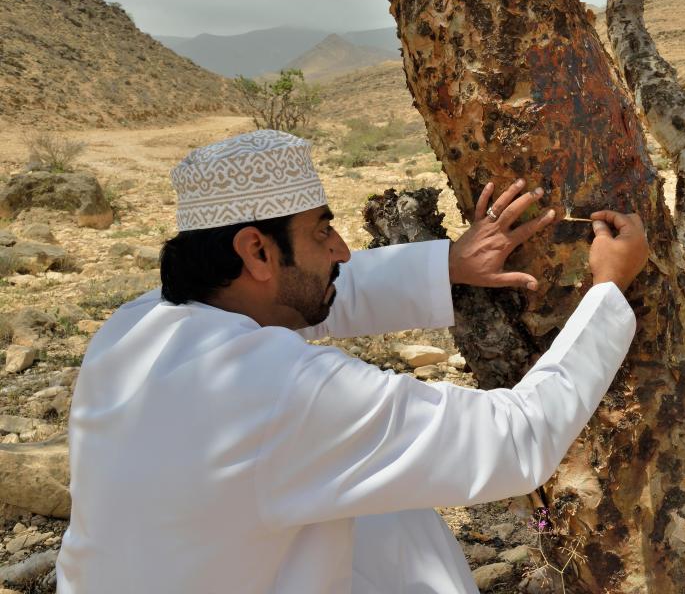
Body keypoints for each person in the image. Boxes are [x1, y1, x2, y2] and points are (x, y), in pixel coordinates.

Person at [56, 129, 649, 593]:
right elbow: (516, 440)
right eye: (321, 233)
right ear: (256, 250)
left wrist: (447, 262)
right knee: (402, 522)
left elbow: (314, 297)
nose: (341, 249)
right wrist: (608, 291)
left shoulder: (137, 325)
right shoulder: (277, 392)